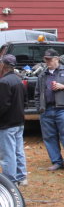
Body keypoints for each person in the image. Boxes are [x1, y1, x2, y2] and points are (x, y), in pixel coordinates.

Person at [35, 49, 64, 174]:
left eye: (49, 59)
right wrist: (39, 108)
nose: (47, 62)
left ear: (57, 59)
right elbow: (37, 94)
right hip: (46, 111)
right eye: (46, 59)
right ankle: (56, 162)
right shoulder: (42, 75)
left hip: (62, 110)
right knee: (49, 138)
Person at [0, 54, 27, 186]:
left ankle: (11, 181)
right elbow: (25, 101)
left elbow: (3, 106)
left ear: (4, 65)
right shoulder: (19, 80)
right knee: (18, 150)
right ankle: (22, 176)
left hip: (7, 123)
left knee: (8, 153)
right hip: (19, 121)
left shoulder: (4, 82)